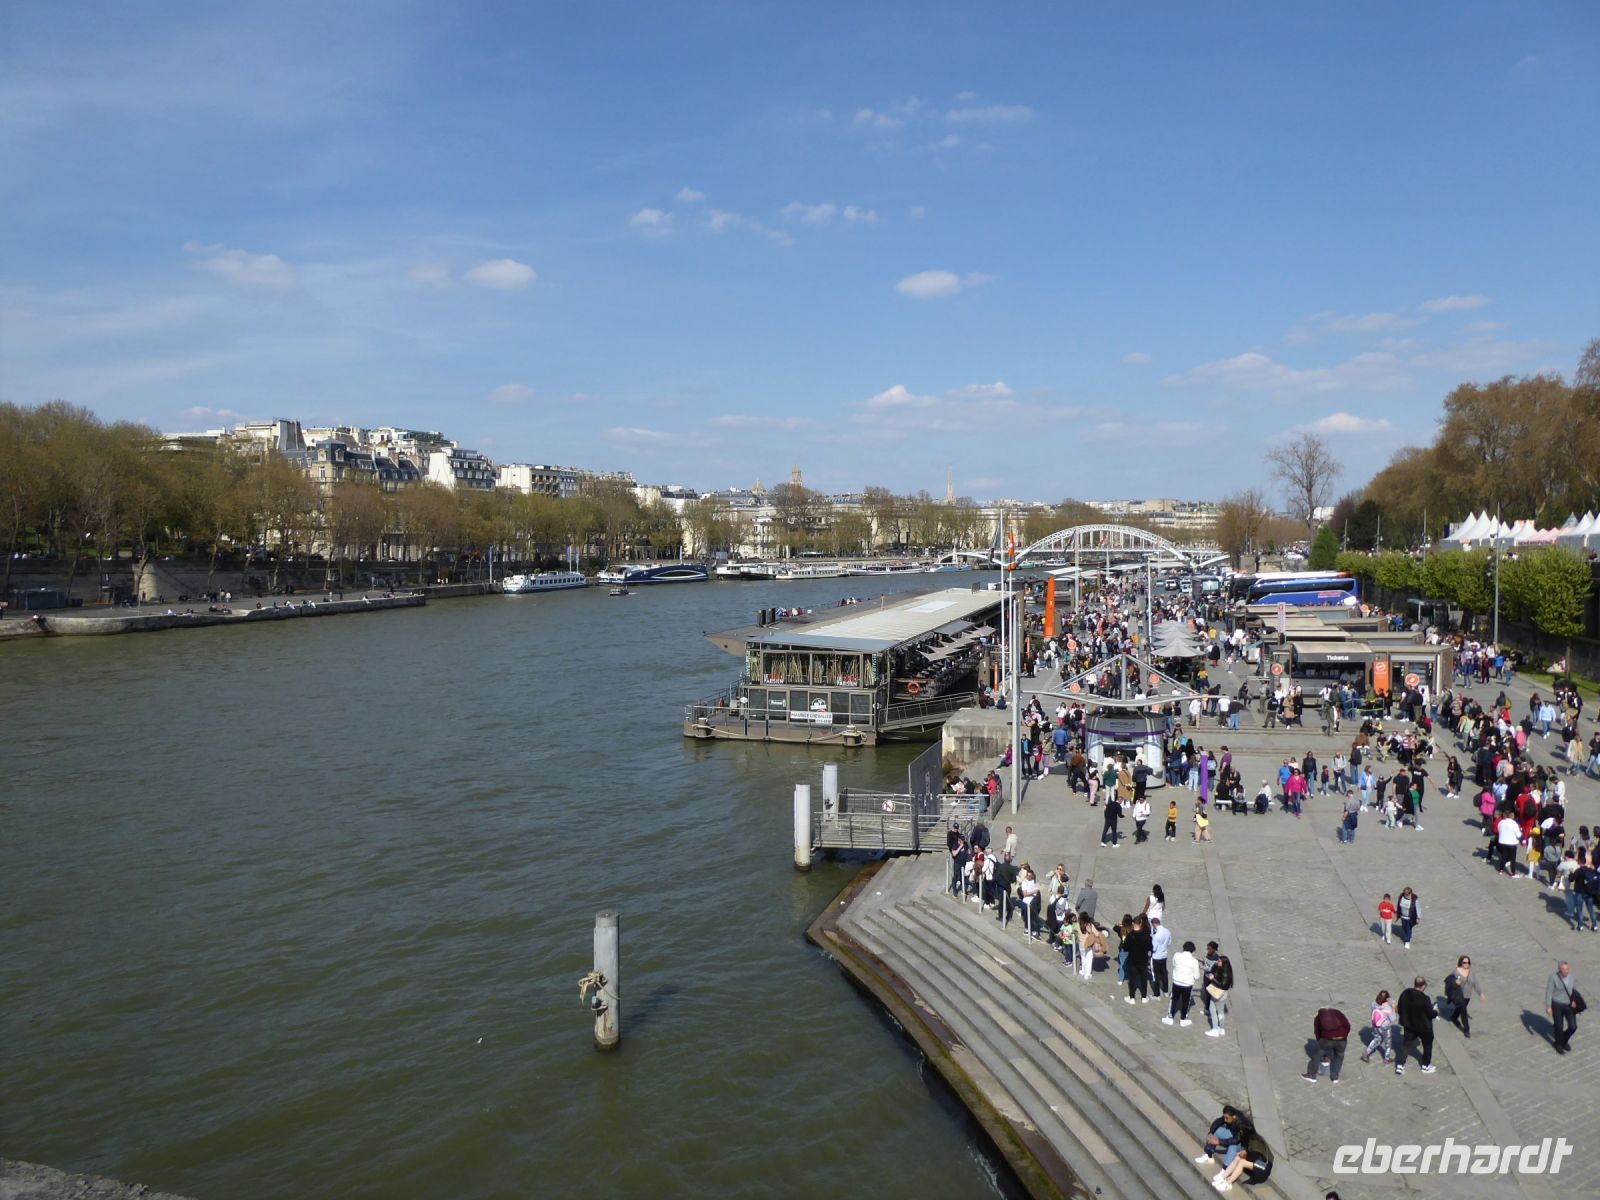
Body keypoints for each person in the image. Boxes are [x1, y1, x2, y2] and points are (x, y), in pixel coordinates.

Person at [1395, 976, 1438, 1074]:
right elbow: (1430, 1014)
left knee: (1406, 1045)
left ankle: (1400, 1065)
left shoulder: (1405, 993)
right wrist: (1436, 1011)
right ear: (1423, 986)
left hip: (1409, 1025)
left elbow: (1400, 1008)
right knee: (1427, 1045)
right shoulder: (1425, 999)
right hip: (1424, 1028)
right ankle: (1425, 1066)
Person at [1302, 1005, 1351, 1083]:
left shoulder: (1318, 1018)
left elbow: (1317, 1032)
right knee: (1339, 1056)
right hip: (1342, 1039)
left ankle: (1312, 1075)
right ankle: (1335, 1077)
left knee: (1317, 1055)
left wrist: (1320, 1041)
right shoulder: (1337, 1013)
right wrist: (1344, 1035)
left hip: (1327, 1040)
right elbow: (1347, 1025)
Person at [1192, 1104, 1249, 1171]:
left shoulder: (1242, 1124)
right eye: (1224, 1117)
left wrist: (1219, 1142)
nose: (1225, 1120)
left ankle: (1225, 1171)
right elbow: (1218, 1121)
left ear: (1234, 1117)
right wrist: (1211, 1132)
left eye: (1227, 1118)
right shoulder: (1230, 1115)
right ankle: (1209, 1156)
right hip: (1233, 1136)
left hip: (1242, 1144)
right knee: (1217, 1131)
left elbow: (1237, 1140)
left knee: (1232, 1145)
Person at [1444, 955, 1485, 1038]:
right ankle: (1466, 1029)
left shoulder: (1471, 972)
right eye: (1464, 962)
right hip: (1459, 995)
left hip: (1467, 995)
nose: (1467, 964)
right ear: (1461, 963)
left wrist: (1481, 993)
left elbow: (1475, 983)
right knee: (1463, 1011)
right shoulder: (1456, 971)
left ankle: (1454, 1017)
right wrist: (1456, 983)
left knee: (1461, 1008)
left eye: (1468, 962)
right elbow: (1449, 982)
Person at [1164, 941, 1203, 1027]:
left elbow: (1174, 965)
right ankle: (1183, 1018)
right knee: (1186, 1001)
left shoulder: (1176, 955)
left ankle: (1170, 1017)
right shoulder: (1194, 961)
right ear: (1193, 951)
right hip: (1187, 984)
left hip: (1177, 982)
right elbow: (1196, 976)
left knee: (1173, 999)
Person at [1546, 961, 1581, 1054]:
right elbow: (1549, 992)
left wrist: (1574, 1000)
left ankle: (1563, 1040)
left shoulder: (1571, 977)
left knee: (1573, 1026)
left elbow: (1573, 989)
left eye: (1567, 969)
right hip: (1557, 1005)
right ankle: (1558, 1044)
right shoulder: (1553, 977)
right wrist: (1548, 1006)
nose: (1566, 971)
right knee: (1559, 1026)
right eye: (1564, 969)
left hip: (1569, 1005)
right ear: (1559, 970)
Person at [1122, 914, 1153, 1003]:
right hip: (1143, 960)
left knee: (1132, 979)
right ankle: (1144, 997)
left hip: (1133, 960)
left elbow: (1125, 948)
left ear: (1133, 923)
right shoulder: (1146, 935)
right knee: (1144, 978)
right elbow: (1150, 947)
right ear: (1141, 923)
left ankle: (1132, 998)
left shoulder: (1130, 935)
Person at [1361, 990, 1396, 1064]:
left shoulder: (1374, 1003)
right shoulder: (1387, 1008)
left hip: (1375, 1025)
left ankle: (1366, 1054)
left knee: (1377, 1039)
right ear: (1386, 999)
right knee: (1388, 1043)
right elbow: (1393, 1019)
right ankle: (1386, 1059)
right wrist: (1393, 1008)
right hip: (1385, 1028)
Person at [1206, 953, 1234, 1037]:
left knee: (1213, 1011)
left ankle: (1215, 1030)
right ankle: (1221, 1029)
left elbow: (1223, 985)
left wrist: (1213, 979)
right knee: (1221, 1012)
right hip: (1223, 994)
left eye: (1219, 961)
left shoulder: (1224, 972)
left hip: (1218, 993)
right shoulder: (1227, 970)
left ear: (1223, 963)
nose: (1217, 962)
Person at [1150, 917, 1172, 998]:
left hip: (1156, 957)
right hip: (1164, 956)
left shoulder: (1156, 936)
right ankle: (1166, 991)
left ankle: (1156, 994)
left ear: (1154, 924)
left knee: (1156, 975)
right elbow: (1169, 943)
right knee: (1164, 973)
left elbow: (1154, 948)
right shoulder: (1167, 931)